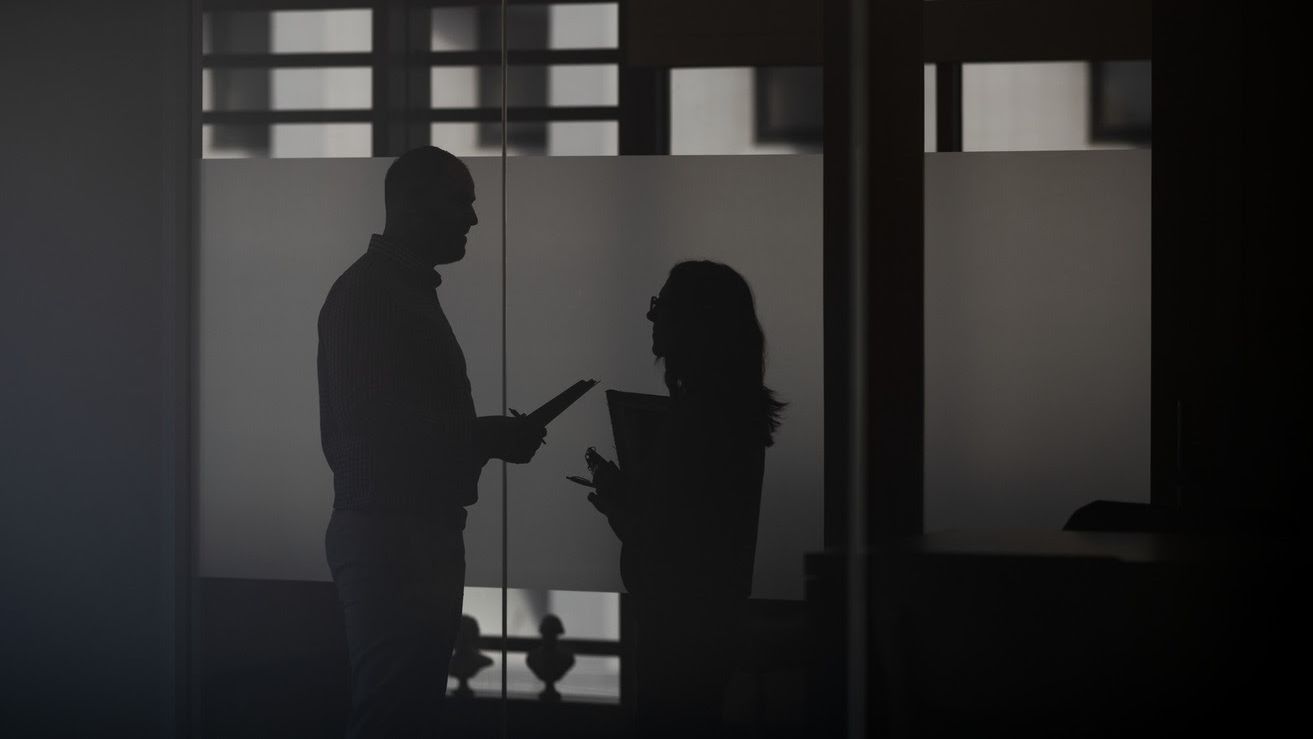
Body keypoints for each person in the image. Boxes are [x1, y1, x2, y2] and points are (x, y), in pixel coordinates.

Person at [317, 146, 545, 737]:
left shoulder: (388, 291)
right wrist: (483, 437)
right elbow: (378, 431)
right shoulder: (377, 295)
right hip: (395, 535)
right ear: (413, 205)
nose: (472, 218)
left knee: (400, 712)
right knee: (396, 716)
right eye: (460, 202)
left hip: (403, 533)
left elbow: (387, 425)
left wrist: (481, 439)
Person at [583, 260, 784, 738]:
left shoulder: (696, 423)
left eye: (663, 306)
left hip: (678, 630)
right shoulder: (732, 416)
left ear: (698, 322)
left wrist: (617, 502)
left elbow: (665, 546)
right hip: (709, 624)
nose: (652, 317)